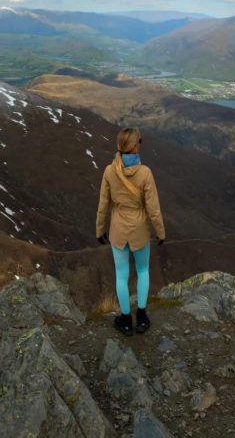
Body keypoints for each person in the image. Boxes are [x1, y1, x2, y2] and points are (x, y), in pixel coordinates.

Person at [95, 127, 166, 336]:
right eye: (139, 141)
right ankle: (142, 317)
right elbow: (153, 208)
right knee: (143, 271)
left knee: (121, 276)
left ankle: (125, 320)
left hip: (118, 231)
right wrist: (160, 232)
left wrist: (100, 230)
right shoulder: (145, 173)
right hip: (140, 231)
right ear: (135, 146)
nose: (140, 144)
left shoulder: (110, 171)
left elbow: (103, 204)